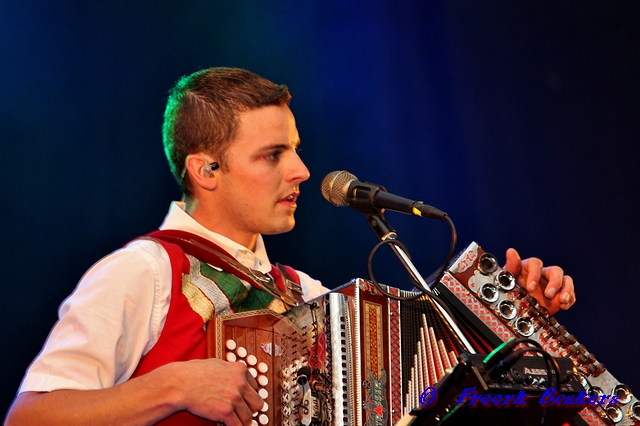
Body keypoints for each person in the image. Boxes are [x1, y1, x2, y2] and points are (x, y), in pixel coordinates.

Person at [5, 67, 576, 426]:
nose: (302, 170)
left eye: (296, 149)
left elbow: (437, 399)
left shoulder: (306, 293)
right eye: (272, 155)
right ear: (206, 170)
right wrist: (172, 385)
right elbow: (30, 417)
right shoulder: (143, 270)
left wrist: (514, 320)